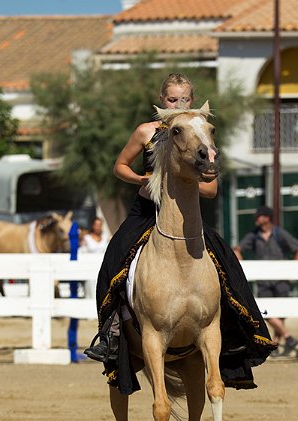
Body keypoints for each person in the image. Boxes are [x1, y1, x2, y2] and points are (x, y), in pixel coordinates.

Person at [84, 73, 276, 392]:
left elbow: (211, 189)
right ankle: (111, 334)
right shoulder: (146, 131)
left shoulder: (199, 135)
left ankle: (239, 325)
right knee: (114, 256)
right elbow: (120, 166)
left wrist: (179, 183)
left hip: (185, 212)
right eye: (172, 99)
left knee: (225, 259)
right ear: (162, 101)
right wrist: (144, 180)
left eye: (184, 99)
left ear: (193, 100)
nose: (178, 104)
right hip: (146, 210)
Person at [233, 206, 298, 356]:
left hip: (281, 280)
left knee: (280, 314)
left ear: (267, 218)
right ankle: (289, 338)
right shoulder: (253, 236)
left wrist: (292, 268)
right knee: (265, 312)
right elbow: (237, 250)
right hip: (264, 281)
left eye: (259, 216)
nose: (256, 219)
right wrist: (243, 266)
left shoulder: (279, 233)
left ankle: (276, 345)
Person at [79, 217, 109, 298]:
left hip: (102, 269)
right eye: (96, 225)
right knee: (90, 291)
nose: (98, 227)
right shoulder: (87, 238)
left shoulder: (105, 237)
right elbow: (83, 253)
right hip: (90, 268)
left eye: (100, 225)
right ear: (93, 226)